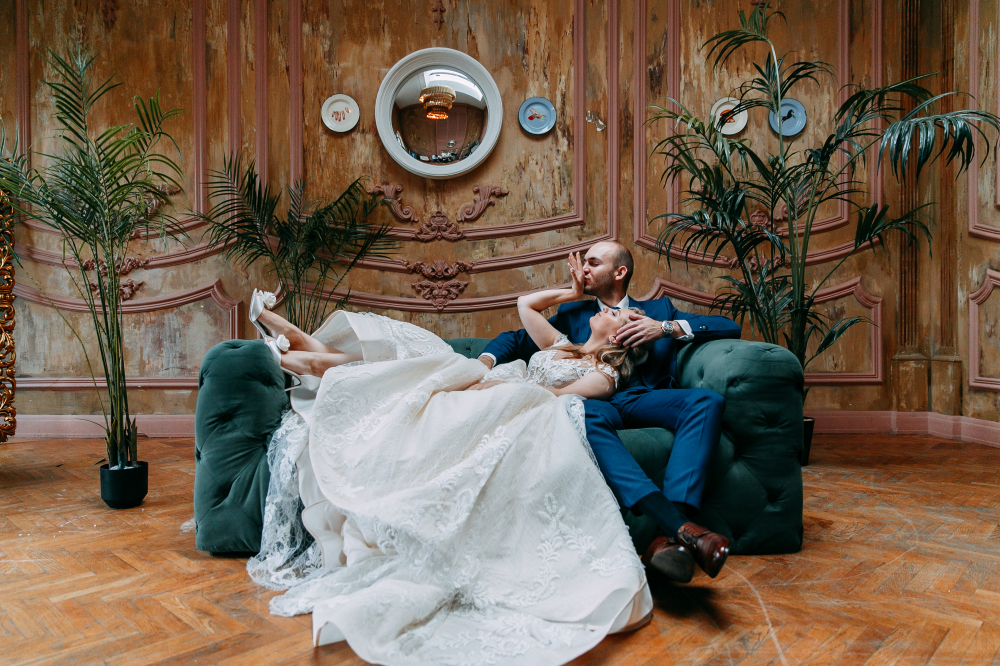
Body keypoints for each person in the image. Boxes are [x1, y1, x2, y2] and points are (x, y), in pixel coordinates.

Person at [242, 257, 657, 666]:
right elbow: (525, 305)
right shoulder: (561, 345)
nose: (609, 311)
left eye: (620, 315)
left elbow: (554, 398)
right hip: (492, 384)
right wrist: (571, 292)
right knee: (420, 361)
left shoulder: (603, 374)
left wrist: (493, 388)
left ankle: (300, 355)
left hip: (507, 400)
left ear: (623, 337)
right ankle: (304, 355)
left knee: (426, 370)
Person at [480, 241, 741, 583]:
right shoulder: (576, 314)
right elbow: (515, 338)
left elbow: (728, 326)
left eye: (593, 263)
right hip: (592, 399)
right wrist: (483, 363)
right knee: (582, 411)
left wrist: (664, 328)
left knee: (706, 402)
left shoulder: (659, 309)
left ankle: (673, 532)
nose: (582, 269)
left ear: (619, 272)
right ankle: (681, 530)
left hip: (642, 397)